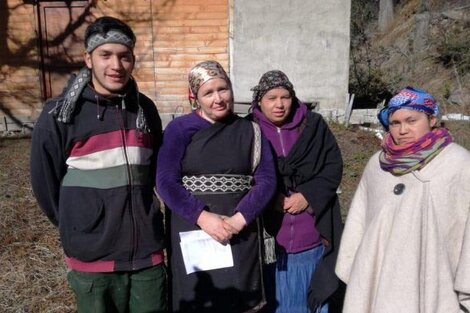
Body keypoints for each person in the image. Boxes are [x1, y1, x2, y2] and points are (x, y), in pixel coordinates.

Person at [30, 16, 166, 312]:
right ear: (88, 59)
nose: (116, 65)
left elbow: (156, 171)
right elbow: (45, 185)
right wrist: (80, 224)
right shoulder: (60, 115)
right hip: (92, 256)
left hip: (146, 252)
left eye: (124, 56)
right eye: (105, 55)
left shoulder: (145, 110)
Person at [156, 60, 277, 312]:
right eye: (208, 93)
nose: (218, 99)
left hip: (241, 232)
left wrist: (238, 220)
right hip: (193, 230)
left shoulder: (251, 130)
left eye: (223, 89)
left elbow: (267, 180)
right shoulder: (179, 129)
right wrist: (203, 217)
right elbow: (165, 181)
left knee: (240, 299)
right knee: (200, 299)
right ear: (195, 97)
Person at [335, 86, 470, 313]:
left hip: (435, 282)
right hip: (379, 283)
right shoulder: (378, 165)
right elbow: (361, 229)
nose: (403, 129)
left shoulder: (459, 163)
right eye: (395, 123)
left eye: (411, 120)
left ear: (432, 119)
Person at [249, 70, 344, 313]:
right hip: (270, 242)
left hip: (311, 237)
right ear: (259, 100)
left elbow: (332, 166)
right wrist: (268, 198)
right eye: (271, 97)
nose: (279, 104)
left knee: (311, 300)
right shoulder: (247, 130)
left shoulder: (313, 126)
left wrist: (308, 196)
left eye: (285, 97)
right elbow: (239, 173)